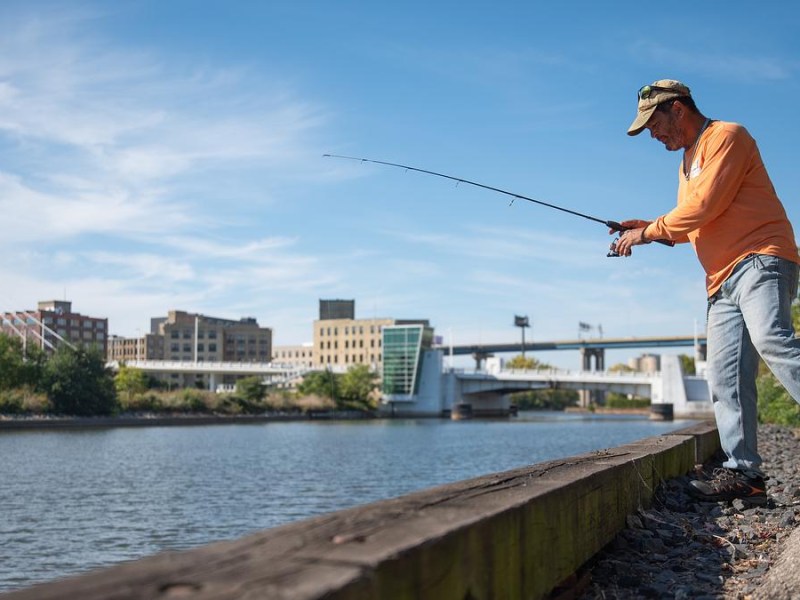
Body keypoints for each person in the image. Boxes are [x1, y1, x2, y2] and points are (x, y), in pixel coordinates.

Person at [614, 79, 800, 504]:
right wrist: (647, 228)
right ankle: (744, 475)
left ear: (677, 109)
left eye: (654, 124)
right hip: (720, 279)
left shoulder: (727, 136)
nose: (652, 134)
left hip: (759, 258)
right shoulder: (686, 162)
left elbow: (704, 207)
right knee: (725, 376)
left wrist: (648, 233)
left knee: (774, 342)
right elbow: (692, 222)